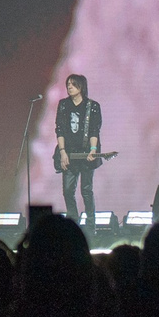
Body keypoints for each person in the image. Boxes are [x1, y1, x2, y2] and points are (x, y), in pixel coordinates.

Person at [53, 73, 104, 226]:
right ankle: (73, 223)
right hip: (68, 153)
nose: (69, 86)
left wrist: (93, 149)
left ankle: (90, 225)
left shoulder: (92, 106)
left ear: (81, 87)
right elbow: (59, 129)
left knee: (86, 191)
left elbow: (95, 130)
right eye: (68, 84)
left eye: (73, 84)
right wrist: (62, 152)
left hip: (87, 152)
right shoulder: (63, 105)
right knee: (68, 191)